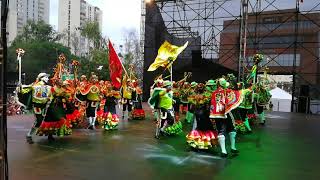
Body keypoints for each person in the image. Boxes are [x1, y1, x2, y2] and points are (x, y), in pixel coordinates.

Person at [210, 78, 242, 157]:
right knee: (232, 129)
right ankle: (233, 147)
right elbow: (235, 95)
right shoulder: (226, 91)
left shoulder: (214, 93)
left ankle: (223, 151)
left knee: (221, 131)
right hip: (226, 113)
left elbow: (212, 104)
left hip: (216, 114)